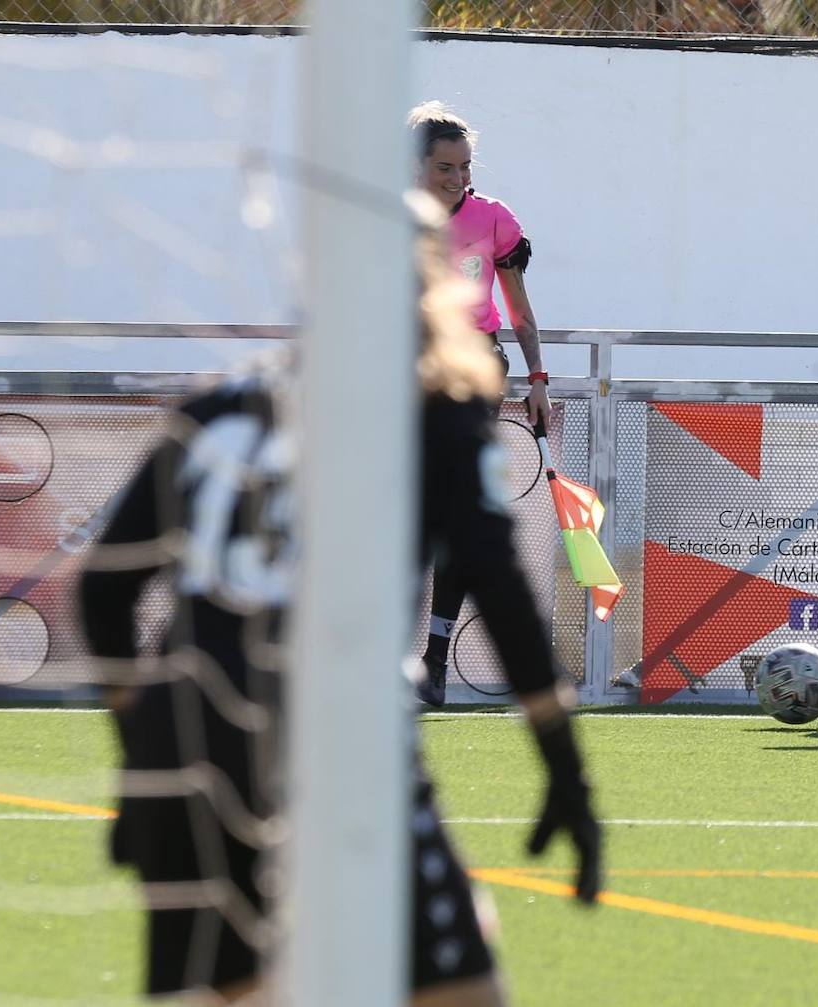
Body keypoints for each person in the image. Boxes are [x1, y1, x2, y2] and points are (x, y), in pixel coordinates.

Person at [77, 195, 601, 1004]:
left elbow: (103, 594)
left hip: (182, 750)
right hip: (340, 743)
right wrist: (565, 771)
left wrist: (139, 747)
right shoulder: (431, 416)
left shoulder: (218, 409)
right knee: (463, 990)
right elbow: (498, 588)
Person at [408, 100, 552, 706]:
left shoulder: (494, 220)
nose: (458, 179)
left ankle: (434, 661)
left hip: (472, 369)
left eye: (464, 167)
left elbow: (516, 306)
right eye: (445, 167)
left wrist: (538, 375)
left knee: (456, 517)